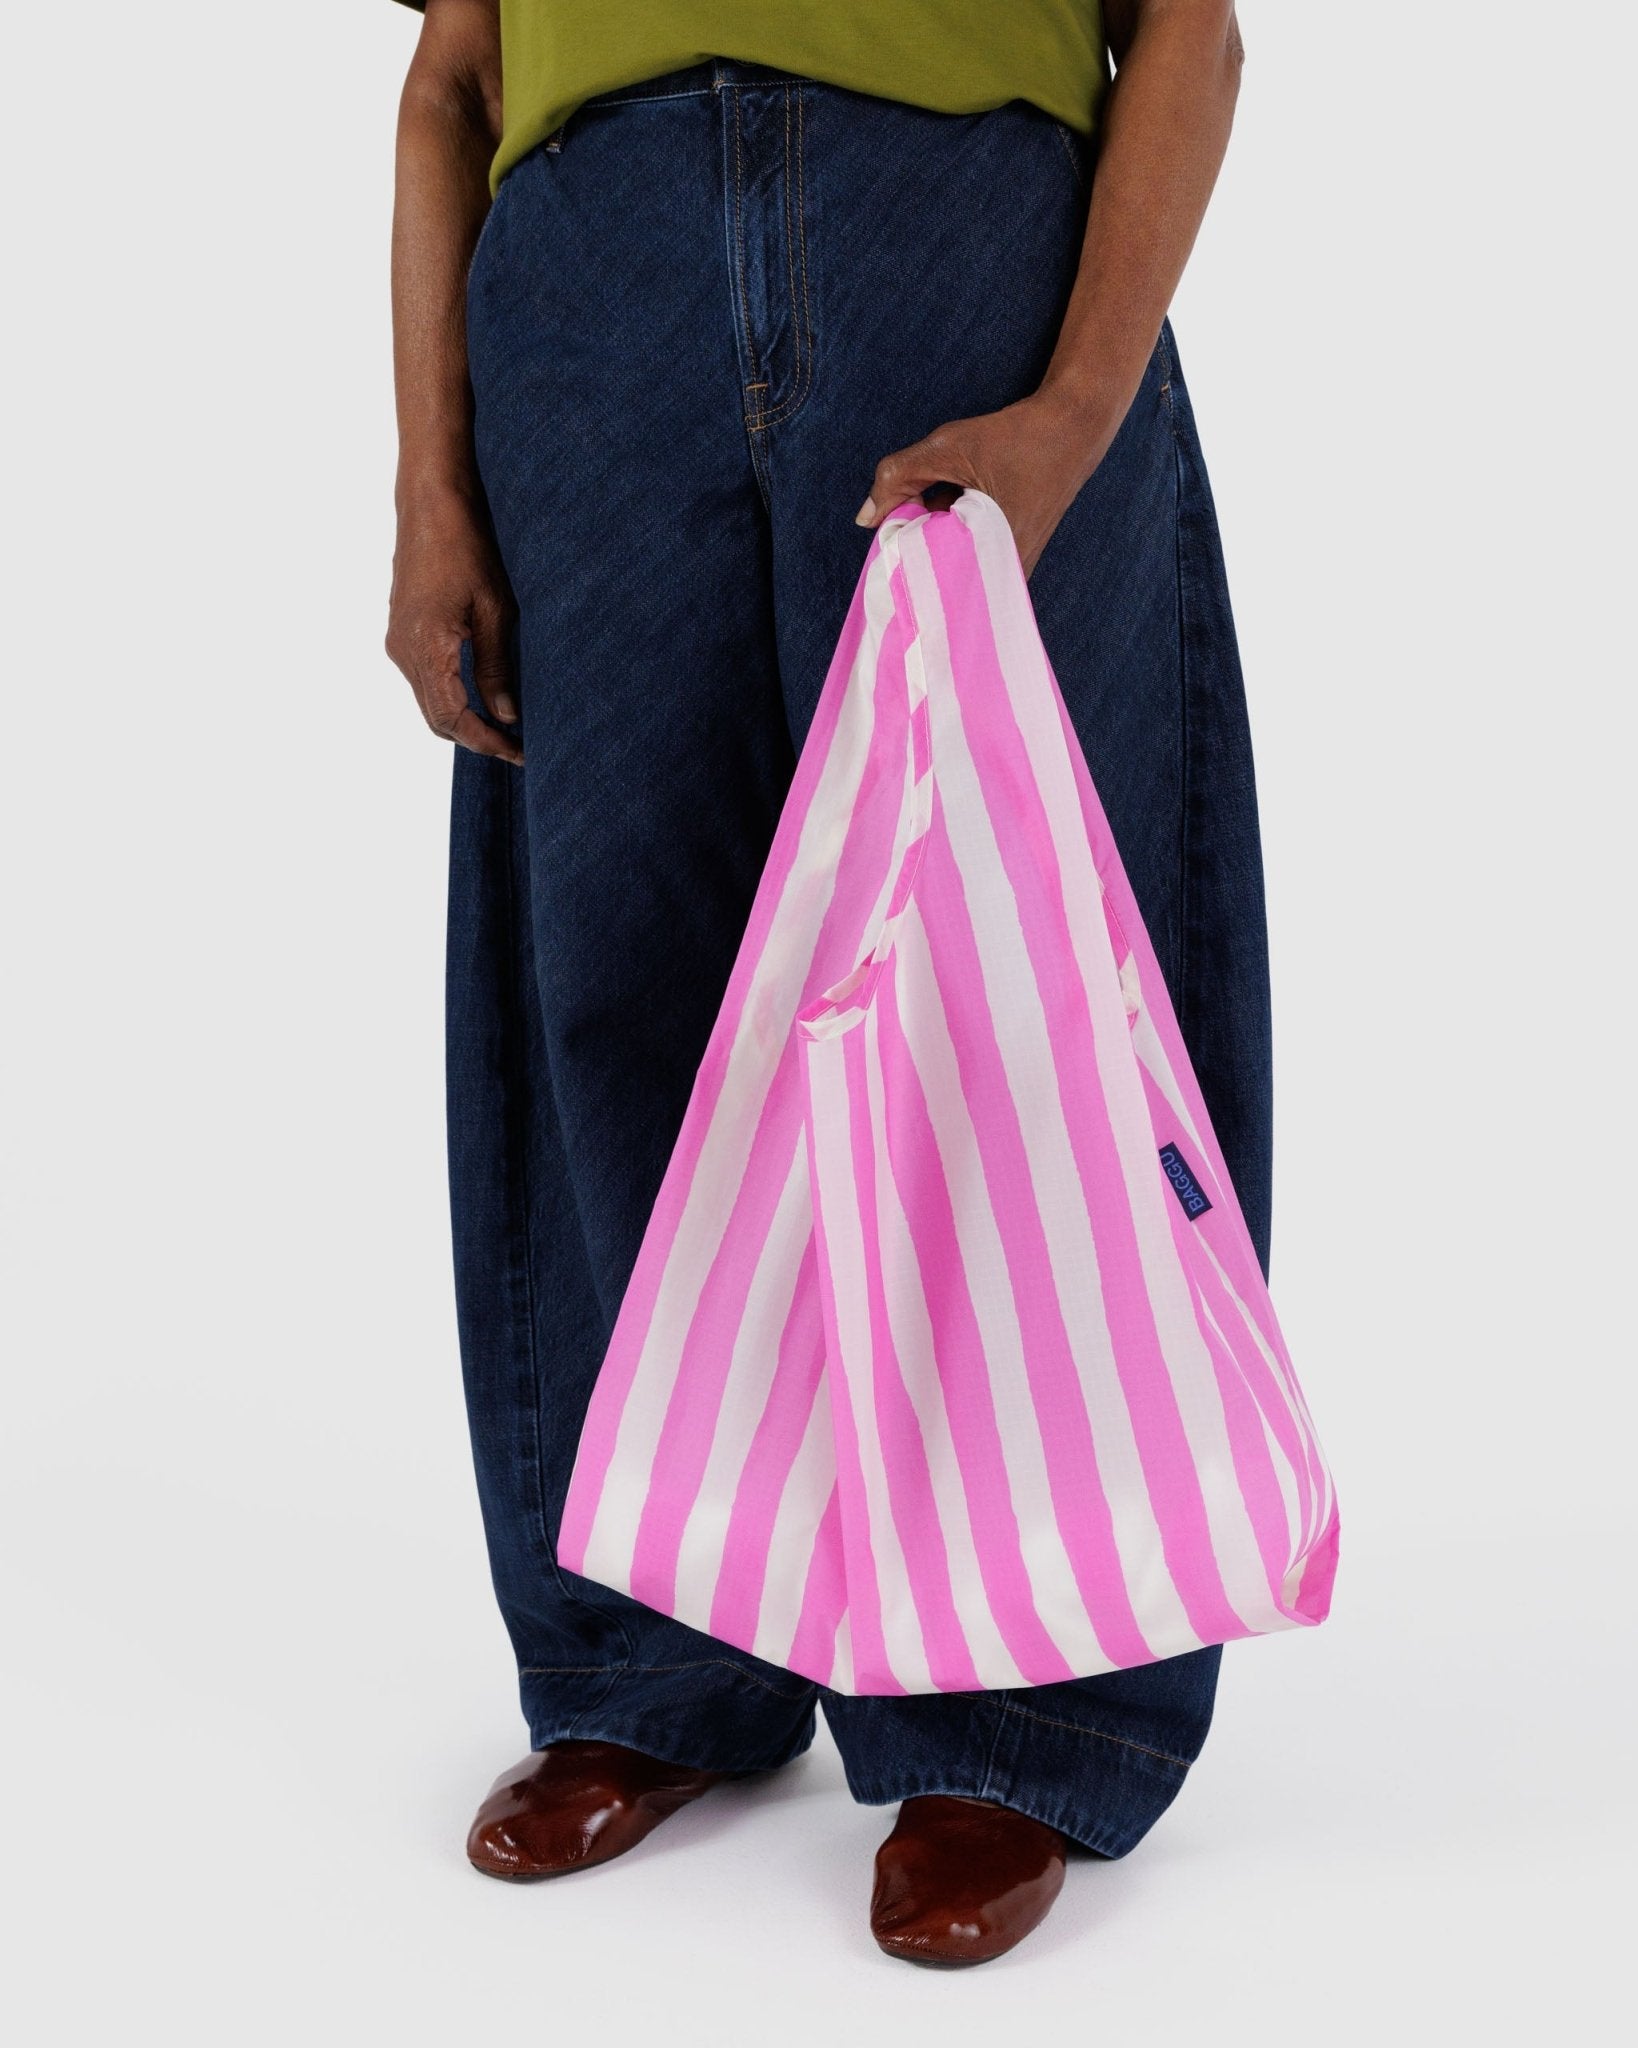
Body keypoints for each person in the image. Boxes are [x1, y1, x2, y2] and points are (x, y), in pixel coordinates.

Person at [386, 0, 1265, 1966]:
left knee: (1005, 987)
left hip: (962, 248)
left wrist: (1075, 407)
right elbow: (452, 74)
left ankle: (1025, 1698)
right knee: (617, 976)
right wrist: (430, 488)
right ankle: (655, 1643)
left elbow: (1190, 27)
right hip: (586, 281)